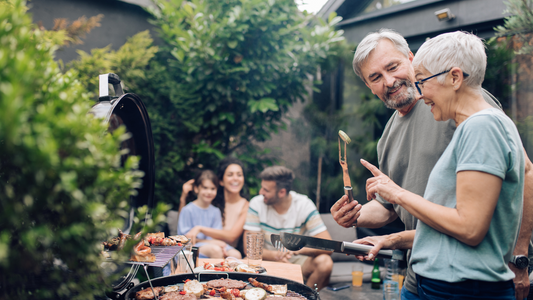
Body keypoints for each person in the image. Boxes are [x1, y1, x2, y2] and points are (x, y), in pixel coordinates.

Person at [330, 28, 533, 300]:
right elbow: (390, 206)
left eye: (393, 67)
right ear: (368, 85)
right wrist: (355, 215)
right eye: (376, 77)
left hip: (468, 278)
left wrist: (519, 256)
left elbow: (523, 174)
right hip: (421, 275)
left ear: (411, 60)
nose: (389, 81)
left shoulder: (464, 105)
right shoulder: (388, 135)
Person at [243, 166, 333, 290]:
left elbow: (328, 245)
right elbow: (249, 249)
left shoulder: (304, 205)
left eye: (266, 190)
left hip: (296, 261)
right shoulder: (256, 204)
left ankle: (305, 296)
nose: (260, 192)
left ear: (281, 192)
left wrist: (296, 250)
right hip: (265, 260)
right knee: (244, 261)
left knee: (325, 262)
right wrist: (277, 256)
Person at [180, 157, 249, 253]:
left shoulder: (246, 205)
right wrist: (183, 199)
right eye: (230, 175)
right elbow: (185, 226)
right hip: (207, 246)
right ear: (221, 181)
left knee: (234, 255)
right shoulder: (211, 199)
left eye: (239, 175)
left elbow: (232, 236)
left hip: (226, 248)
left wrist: (199, 229)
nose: (235, 178)